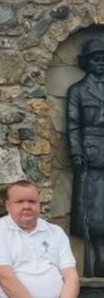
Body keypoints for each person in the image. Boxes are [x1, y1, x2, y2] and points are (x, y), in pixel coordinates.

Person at [66, 38, 104, 277]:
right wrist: (77, 153)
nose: (101, 63)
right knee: (92, 211)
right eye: (96, 59)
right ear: (86, 63)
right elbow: (72, 125)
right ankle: (97, 262)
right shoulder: (78, 90)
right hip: (90, 156)